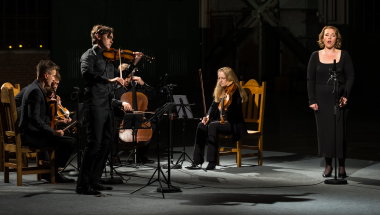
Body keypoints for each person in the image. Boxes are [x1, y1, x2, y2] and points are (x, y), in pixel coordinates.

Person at [77, 24, 143, 195]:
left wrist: (133, 64)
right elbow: (87, 75)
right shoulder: (88, 55)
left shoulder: (109, 59)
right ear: (98, 36)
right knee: (94, 144)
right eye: (109, 37)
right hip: (94, 104)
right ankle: (82, 185)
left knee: (106, 143)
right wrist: (109, 80)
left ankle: (95, 180)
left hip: (107, 105)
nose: (112, 41)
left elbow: (120, 76)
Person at [307, 26, 355, 178]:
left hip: (339, 99)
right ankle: (328, 165)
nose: (329, 38)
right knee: (325, 133)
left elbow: (350, 76)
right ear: (322, 38)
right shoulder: (315, 56)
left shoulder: (344, 55)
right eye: (326, 35)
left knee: (340, 133)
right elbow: (310, 79)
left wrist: (345, 96)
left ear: (337, 39)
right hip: (321, 101)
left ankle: (341, 166)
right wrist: (312, 99)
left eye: (332, 35)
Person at [18, 60, 76, 183]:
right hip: (31, 136)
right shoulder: (35, 91)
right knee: (69, 142)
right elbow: (34, 119)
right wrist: (53, 132)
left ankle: (48, 171)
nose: (54, 79)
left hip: (30, 133)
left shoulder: (35, 88)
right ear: (46, 75)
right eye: (53, 75)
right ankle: (51, 172)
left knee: (65, 138)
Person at [186, 67, 248, 170]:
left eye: (223, 78)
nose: (220, 80)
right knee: (202, 125)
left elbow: (237, 111)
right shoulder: (221, 91)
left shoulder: (235, 91)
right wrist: (208, 116)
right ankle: (197, 161)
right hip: (221, 122)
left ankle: (212, 161)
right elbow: (213, 106)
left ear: (230, 78)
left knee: (212, 126)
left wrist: (228, 108)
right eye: (219, 78)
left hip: (233, 123)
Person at [111, 63, 157, 164]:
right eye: (125, 77)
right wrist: (121, 103)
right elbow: (110, 101)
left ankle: (141, 156)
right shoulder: (115, 88)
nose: (127, 80)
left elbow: (153, 95)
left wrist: (143, 83)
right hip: (121, 118)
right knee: (112, 126)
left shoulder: (138, 87)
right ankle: (114, 156)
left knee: (151, 126)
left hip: (138, 118)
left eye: (129, 77)